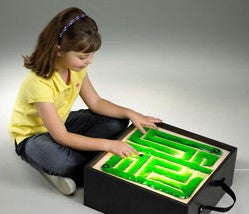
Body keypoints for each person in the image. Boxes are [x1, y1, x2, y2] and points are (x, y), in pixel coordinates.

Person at [8, 7, 162, 196]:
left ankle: (81, 163)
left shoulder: (76, 69)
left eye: (91, 55)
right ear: (59, 51)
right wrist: (108, 145)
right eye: (83, 57)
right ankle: (63, 167)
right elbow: (62, 137)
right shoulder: (39, 83)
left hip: (61, 123)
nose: (89, 61)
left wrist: (131, 113)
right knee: (63, 161)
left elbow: (96, 102)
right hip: (32, 137)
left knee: (118, 121)